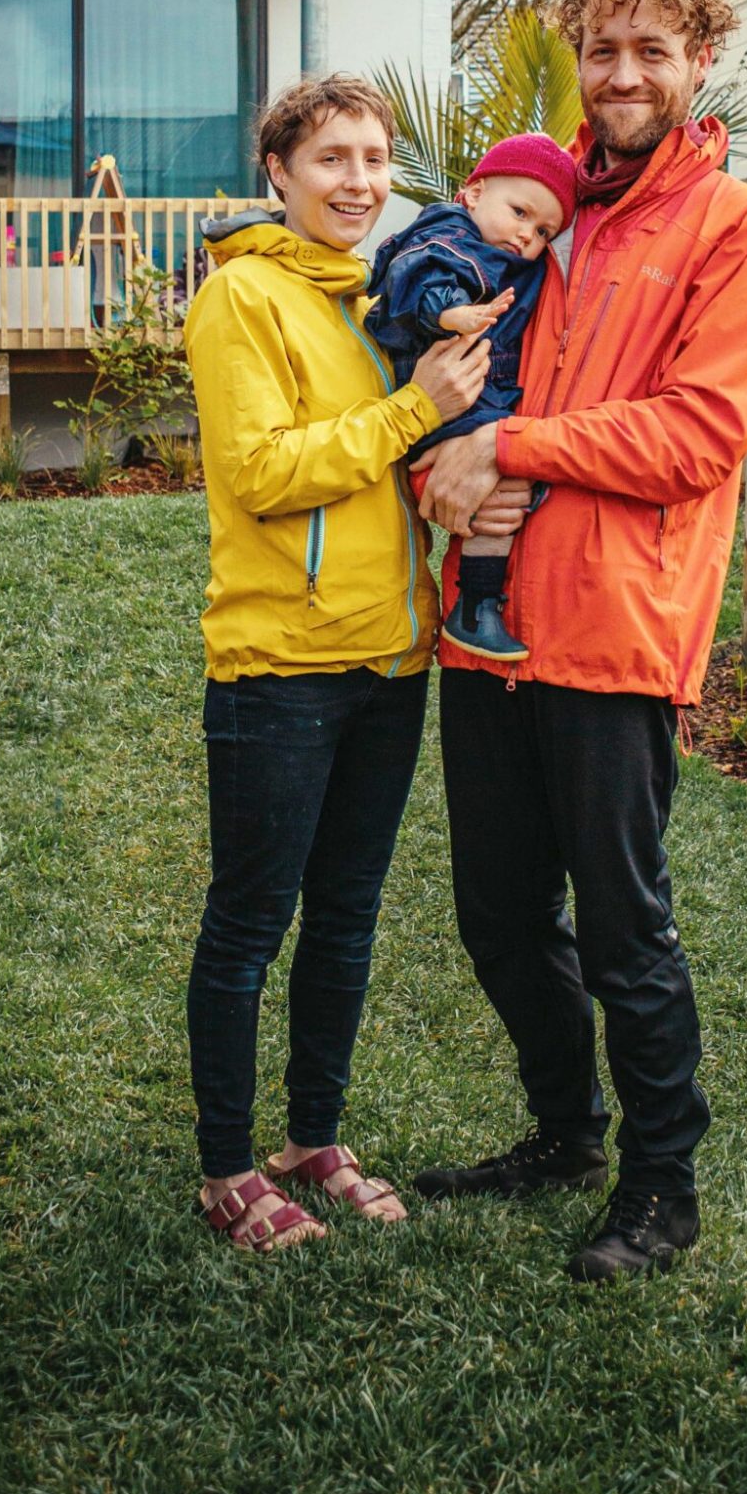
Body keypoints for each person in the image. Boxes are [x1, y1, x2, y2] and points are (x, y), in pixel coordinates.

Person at [411, 0, 747, 1283]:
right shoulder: (534, 215)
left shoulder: (740, 234)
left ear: (699, 64)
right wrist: (442, 477)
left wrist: (513, 456)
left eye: (651, 49)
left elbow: (697, 433)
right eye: (602, 49)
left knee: (625, 929)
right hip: (484, 630)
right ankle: (561, 1133)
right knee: (495, 914)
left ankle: (659, 1189)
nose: (622, 72)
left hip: (613, 635)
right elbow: (441, 379)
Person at [182, 74, 491, 1255]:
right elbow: (263, 474)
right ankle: (224, 1166)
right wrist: (414, 411)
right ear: (280, 173)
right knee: (250, 920)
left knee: (347, 915)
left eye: (373, 159)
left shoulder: (381, 300)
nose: (358, 180)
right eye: (331, 160)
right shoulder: (241, 298)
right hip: (281, 663)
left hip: (389, 656)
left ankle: (311, 1137)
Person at [364, 133, 577, 661]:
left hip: (476, 395)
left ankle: (477, 606)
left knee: (511, 485)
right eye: (520, 211)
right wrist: (451, 313)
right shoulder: (450, 233)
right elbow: (415, 274)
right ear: (474, 192)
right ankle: (476, 606)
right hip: (443, 392)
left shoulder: (513, 258)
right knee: (506, 487)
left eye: (543, 229)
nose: (527, 234)